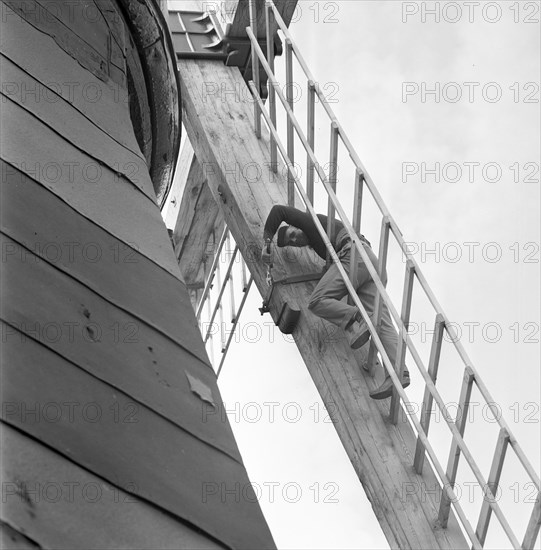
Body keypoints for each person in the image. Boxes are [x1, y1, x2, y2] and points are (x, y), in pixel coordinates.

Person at [261, 204, 410, 400]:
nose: (295, 239)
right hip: (370, 262)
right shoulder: (323, 243)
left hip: (354, 255)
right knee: (382, 322)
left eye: (292, 233)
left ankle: (358, 319)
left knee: (317, 300)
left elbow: (278, 211)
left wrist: (267, 241)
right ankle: (398, 372)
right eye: (292, 242)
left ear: (296, 225)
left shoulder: (310, 222)